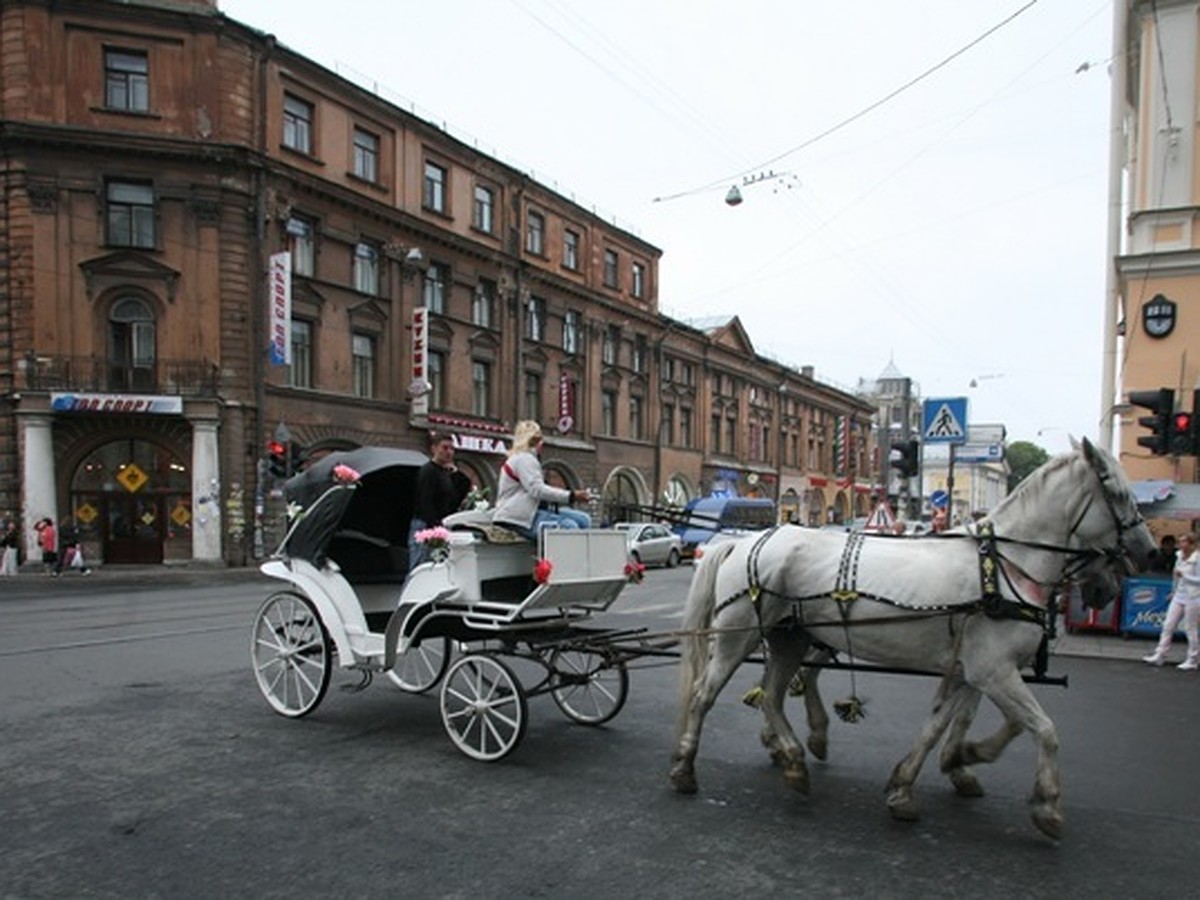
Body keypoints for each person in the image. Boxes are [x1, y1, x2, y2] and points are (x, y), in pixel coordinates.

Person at [493, 420, 591, 540]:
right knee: (569, 527)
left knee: (583, 520)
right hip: (517, 518)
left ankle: (576, 554)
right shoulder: (525, 459)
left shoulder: (522, 458)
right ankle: (559, 558)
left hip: (527, 513)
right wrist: (571, 496)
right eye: (540, 438)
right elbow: (537, 490)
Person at [408, 432, 471, 569]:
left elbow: (461, 492)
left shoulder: (446, 473)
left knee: (436, 567)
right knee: (420, 567)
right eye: (445, 448)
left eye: (452, 449)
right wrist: (434, 528)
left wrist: (456, 473)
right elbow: (425, 501)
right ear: (434, 449)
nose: (449, 452)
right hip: (425, 526)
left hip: (440, 525)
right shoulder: (428, 471)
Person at [1143, 531, 1200, 670]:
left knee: (1190, 628)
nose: (1180, 544)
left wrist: (1185, 576)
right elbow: (1176, 577)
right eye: (1180, 541)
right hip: (1179, 595)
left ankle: (1192, 659)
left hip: (1194, 597)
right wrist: (1173, 591)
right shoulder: (1179, 556)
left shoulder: (1197, 559)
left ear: (1192, 544)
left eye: (1184, 541)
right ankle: (1160, 654)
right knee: (1168, 625)